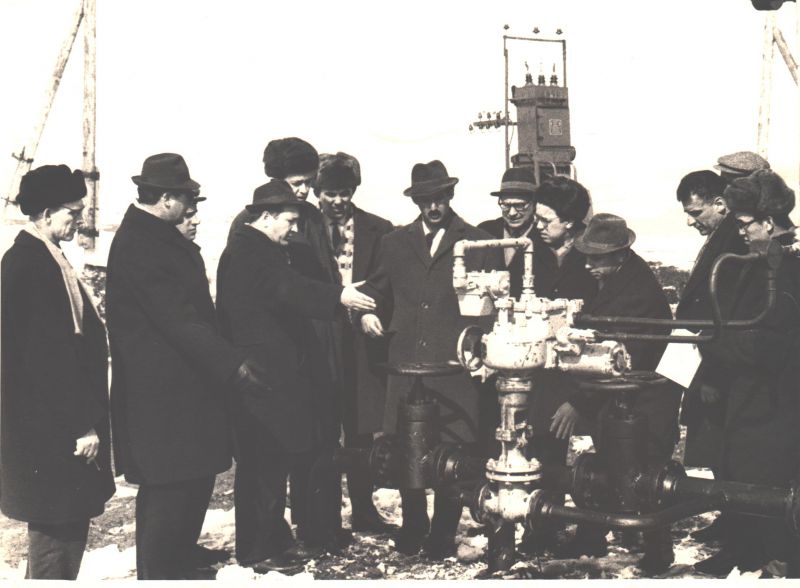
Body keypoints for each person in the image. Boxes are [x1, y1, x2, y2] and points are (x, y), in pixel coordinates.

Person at [106, 153, 267, 580]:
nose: (191, 208)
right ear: (165, 199)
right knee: (169, 483)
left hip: (181, 385)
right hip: (161, 392)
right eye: (186, 200)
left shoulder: (154, 236)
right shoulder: (142, 244)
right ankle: (160, 572)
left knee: (191, 474)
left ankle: (178, 555)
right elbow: (178, 319)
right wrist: (232, 364)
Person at [216, 179, 376, 572]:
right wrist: (338, 295)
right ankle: (258, 550)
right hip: (260, 376)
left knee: (272, 462)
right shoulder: (249, 249)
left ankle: (272, 540)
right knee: (262, 465)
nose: (293, 228)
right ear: (266, 217)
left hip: (270, 373)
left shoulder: (260, 247)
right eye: (289, 220)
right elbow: (286, 288)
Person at [360, 160, 502, 558]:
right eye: (425, 200)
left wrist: (482, 352)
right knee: (409, 449)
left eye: (439, 198)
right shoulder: (394, 242)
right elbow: (377, 290)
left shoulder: (477, 242)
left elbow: (493, 305)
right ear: (415, 201)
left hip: (454, 367)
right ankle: (413, 526)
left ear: (450, 196)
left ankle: (441, 534)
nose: (433, 207)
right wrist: (367, 313)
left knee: (451, 454)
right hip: (406, 365)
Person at [1, 165, 115, 580]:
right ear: (47, 214)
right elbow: (46, 359)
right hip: (53, 427)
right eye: (74, 212)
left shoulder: (46, 256)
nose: (80, 219)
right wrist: (81, 424)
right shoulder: (31, 265)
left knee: (65, 521)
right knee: (57, 527)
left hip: (51, 422)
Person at [693, 170, 800, 577]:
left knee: (765, 484)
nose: (739, 233)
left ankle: (778, 563)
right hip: (754, 395)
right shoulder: (764, 262)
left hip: (773, 401)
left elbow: (766, 344)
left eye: (744, 224)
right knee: (744, 476)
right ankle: (751, 554)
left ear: (768, 222)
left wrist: (712, 344)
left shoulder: (784, 270)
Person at [562, 213, 681, 574]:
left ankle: (658, 550)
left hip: (644, 399)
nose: (588, 265)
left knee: (647, 473)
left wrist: (577, 402)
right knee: (610, 463)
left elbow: (620, 358)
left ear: (619, 254)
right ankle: (592, 537)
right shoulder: (620, 277)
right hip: (624, 396)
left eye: (596, 258)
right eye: (587, 257)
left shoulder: (636, 292)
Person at [314, 152, 397, 533]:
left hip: (361, 346)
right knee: (322, 429)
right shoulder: (302, 227)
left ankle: (363, 509)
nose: (337, 201)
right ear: (318, 192)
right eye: (330, 193)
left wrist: (367, 310)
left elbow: (385, 280)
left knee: (361, 430)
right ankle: (322, 516)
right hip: (318, 344)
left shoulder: (378, 229)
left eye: (344, 193)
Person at [521, 176, 597, 554]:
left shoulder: (593, 256)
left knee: (597, 461)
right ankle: (542, 528)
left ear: (569, 222)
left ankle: (593, 534)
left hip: (587, 376)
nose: (536, 225)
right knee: (541, 451)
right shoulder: (530, 251)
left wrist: (581, 398)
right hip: (541, 373)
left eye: (545, 219)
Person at [673, 170, 748, 545]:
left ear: (720, 204)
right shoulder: (723, 237)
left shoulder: (735, 243)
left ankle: (740, 531)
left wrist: (712, 377)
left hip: (719, 368)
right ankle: (730, 520)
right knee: (719, 451)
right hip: (706, 361)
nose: (691, 221)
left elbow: (729, 317)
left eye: (696, 212)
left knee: (729, 450)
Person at [478, 166, 538, 298]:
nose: (512, 213)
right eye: (506, 205)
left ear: (534, 204)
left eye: (520, 205)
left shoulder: (543, 236)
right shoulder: (485, 231)